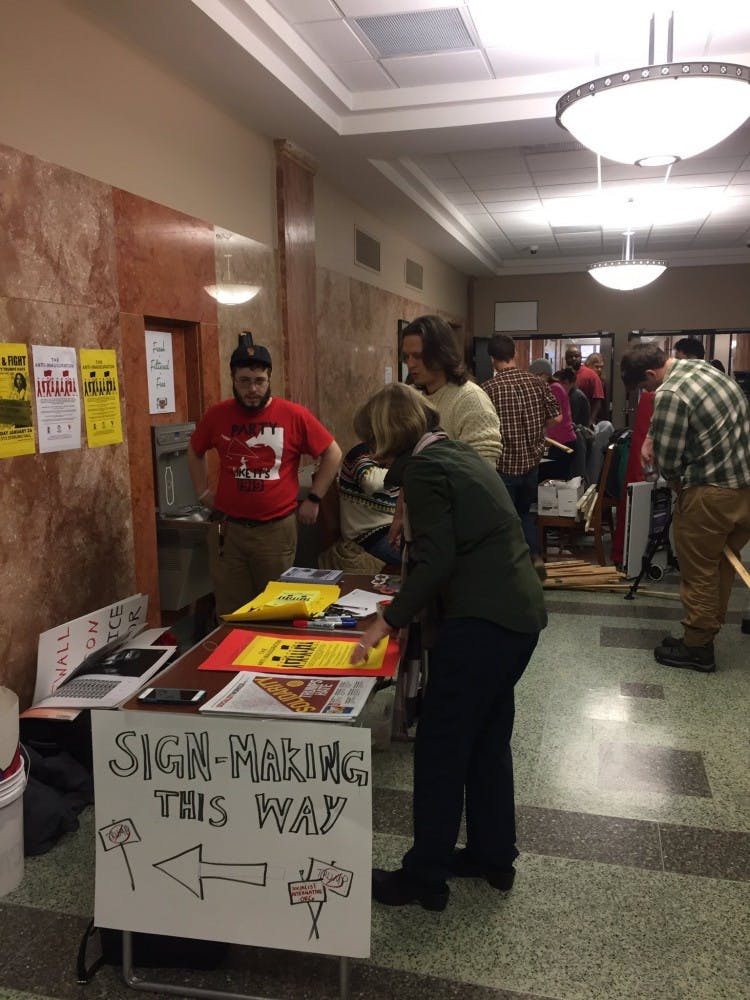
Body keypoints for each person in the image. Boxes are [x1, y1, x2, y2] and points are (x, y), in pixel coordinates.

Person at [350, 383, 547, 911]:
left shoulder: (427, 469)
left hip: (482, 624)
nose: (368, 450)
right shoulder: (452, 451)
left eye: (370, 438)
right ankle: (491, 855)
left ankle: (425, 876)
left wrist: (386, 620)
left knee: (440, 747)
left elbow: (436, 562)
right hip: (515, 618)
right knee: (485, 738)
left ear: (387, 433)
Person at [620, 343, 750, 672]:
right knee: (719, 567)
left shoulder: (670, 392)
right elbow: (685, 422)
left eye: (645, 386)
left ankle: (697, 648)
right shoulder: (707, 371)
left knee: (698, 573)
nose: (648, 392)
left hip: (708, 493)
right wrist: (652, 435)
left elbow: (670, 458)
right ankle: (704, 632)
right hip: (742, 491)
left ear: (651, 373)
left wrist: (673, 480)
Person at [188, 342, 342, 617]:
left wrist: (315, 498)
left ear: (269, 379)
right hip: (227, 529)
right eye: (244, 381)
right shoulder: (217, 415)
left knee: (273, 607)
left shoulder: (294, 415)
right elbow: (195, 449)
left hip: (275, 530)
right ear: (233, 380)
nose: (252, 389)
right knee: (230, 609)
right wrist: (202, 492)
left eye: (259, 381)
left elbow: (332, 452)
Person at [480, 338, 560, 558]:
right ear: (514, 353)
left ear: (492, 359)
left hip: (504, 466)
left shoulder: (487, 389)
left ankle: (511, 572)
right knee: (526, 515)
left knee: (504, 521)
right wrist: (538, 428)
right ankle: (535, 569)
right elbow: (558, 416)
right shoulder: (537, 382)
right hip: (532, 464)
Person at [399, 315, 502, 467]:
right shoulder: (412, 396)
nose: (411, 364)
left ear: (441, 354)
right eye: (406, 357)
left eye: (418, 356)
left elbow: (481, 470)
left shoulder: (471, 399)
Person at [338, 401, 401, 566]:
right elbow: (370, 481)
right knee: (420, 559)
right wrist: (408, 467)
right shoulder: (361, 453)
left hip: (393, 528)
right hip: (369, 535)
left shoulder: (396, 454)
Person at [532, 359, 576, 481]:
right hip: (561, 440)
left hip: (562, 442)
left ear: (544, 375)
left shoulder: (554, 388)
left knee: (555, 481)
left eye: (536, 376)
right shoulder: (554, 387)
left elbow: (553, 417)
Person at [565, 345, 604, 424]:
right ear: (565, 359)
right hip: (565, 421)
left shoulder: (592, 375)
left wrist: (591, 420)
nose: (573, 359)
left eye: (576, 356)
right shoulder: (560, 376)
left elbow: (598, 400)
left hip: (583, 421)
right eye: (570, 356)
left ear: (581, 357)